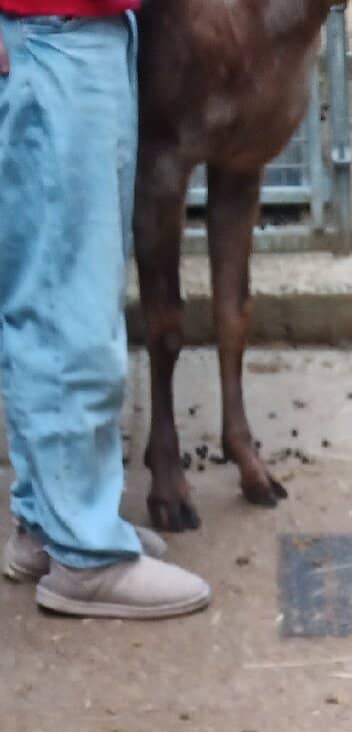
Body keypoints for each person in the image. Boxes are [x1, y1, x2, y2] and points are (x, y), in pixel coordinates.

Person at [0, 1, 210, 618]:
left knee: (48, 289)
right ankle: (85, 557)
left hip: (75, 30)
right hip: (56, 36)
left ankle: (47, 522)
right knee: (72, 303)